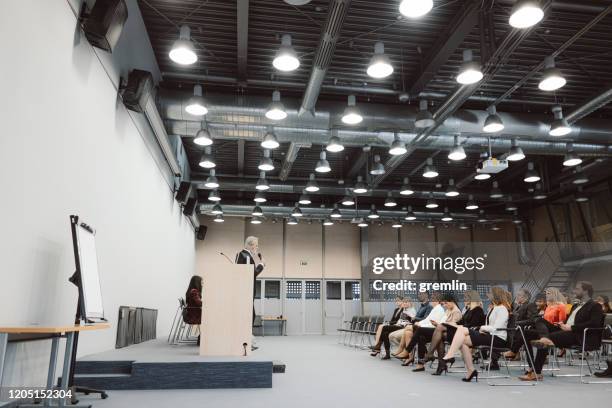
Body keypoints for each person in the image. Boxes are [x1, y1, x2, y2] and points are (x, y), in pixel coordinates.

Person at [519, 281, 604, 381]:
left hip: (578, 335)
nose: (574, 291)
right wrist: (562, 325)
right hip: (564, 330)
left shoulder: (595, 306)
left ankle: (536, 372)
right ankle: (532, 363)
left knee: (547, 339)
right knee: (535, 324)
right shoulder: (576, 305)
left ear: (585, 291)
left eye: (577, 289)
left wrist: (571, 328)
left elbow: (594, 324)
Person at [441, 287, 511, 382]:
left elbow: (496, 328)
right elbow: (490, 327)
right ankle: (471, 370)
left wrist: (482, 328)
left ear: (495, 295)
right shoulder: (494, 308)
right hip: (489, 335)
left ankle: (450, 354)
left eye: (490, 293)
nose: (487, 294)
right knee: (463, 341)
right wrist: (482, 328)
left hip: (498, 339)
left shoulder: (502, 309)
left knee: (461, 330)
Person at [426, 290, 486, 375]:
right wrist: (454, 324)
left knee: (440, 329)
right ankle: (440, 363)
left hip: (469, 333)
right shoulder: (469, 309)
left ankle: (432, 356)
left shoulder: (478, 310)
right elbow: (462, 322)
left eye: (466, 297)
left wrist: (456, 325)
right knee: (441, 335)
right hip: (461, 331)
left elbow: (472, 326)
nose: (464, 299)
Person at [409, 293, 463, 372]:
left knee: (420, 330)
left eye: (446, 303)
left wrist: (438, 325)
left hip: (450, 333)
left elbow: (452, 326)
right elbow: (443, 323)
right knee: (422, 337)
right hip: (441, 331)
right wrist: (437, 324)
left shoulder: (456, 312)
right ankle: (439, 365)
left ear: (452, 302)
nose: (444, 305)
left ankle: (422, 353)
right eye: (443, 303)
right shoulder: (448, 310)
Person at [394, 292, 445, 364]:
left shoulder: (439, 309)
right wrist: (419, 323)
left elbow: (433, 324)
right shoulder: (435, 309)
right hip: (428, 329)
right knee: (411, 333)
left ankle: (406, 351)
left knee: (415, 329)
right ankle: (413, 358)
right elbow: (427, 320)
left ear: (437, 300)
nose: (431, 301)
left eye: (432, 299)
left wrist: (420, 325)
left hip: (434, 331)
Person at [236, 236, 265, 325]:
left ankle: (247, 334)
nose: (257, 248)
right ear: (251, 245)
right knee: (250, 315)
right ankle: (245, 335)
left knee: (251, 314)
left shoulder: (243, 255)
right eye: (256, 245)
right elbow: (252, 274)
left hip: (245, 291)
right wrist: (262, 264)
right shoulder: (246, 256)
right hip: (246, 291)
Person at [503, 289, 539, 360]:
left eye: (519, 295)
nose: (517, 297)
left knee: (519, 333)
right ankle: (513, 352)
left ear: (525, 297)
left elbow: (532, 320)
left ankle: (513, 351)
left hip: (524, 328)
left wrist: (517, 323)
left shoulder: (530, 305)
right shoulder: (517, 306)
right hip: (515, 328)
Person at [184, 275, 202, 345]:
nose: (202, 284)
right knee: (210, 318)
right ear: (197, 283)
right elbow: (199, 303)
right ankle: (202, 338)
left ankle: (201, 337)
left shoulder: (191, 291)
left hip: (192, 314)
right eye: (201, 282)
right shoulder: (194, 292)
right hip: (194, 316)